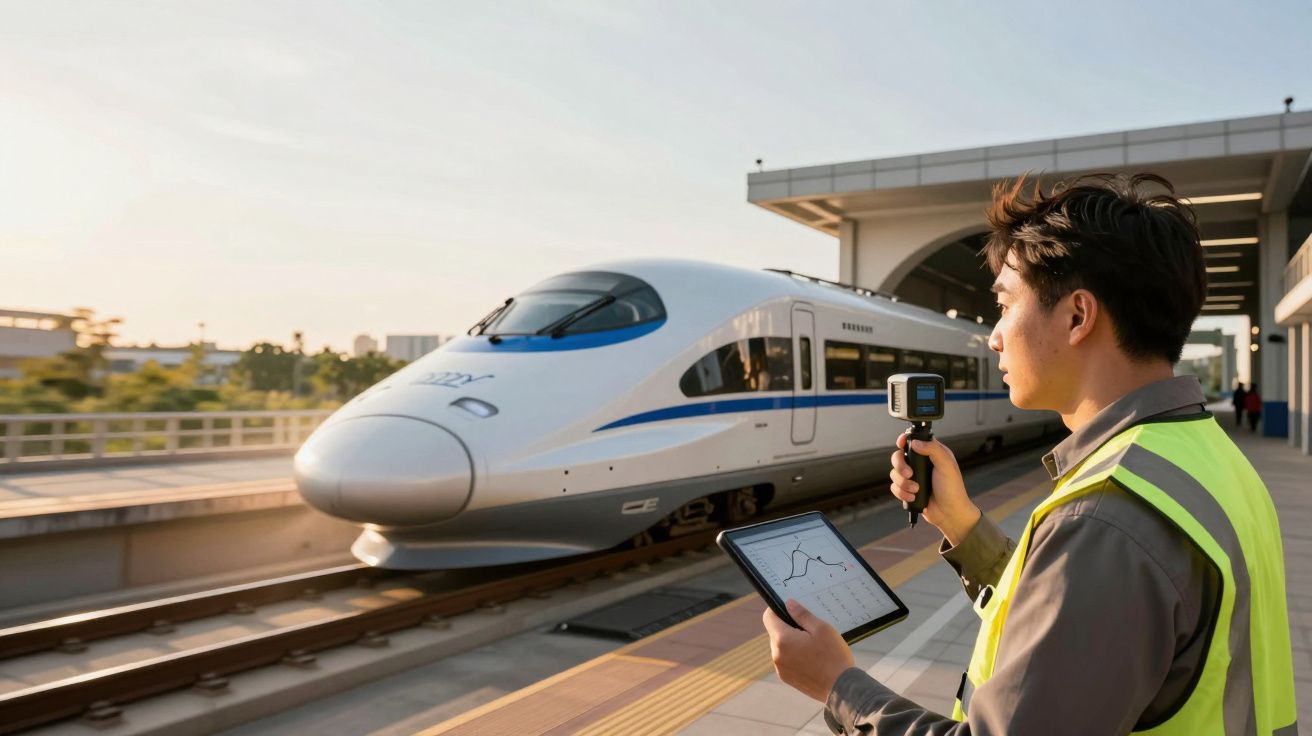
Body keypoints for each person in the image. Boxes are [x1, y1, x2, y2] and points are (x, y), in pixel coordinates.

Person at [762, 173, 1297, 735]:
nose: (994, 336)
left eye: (1003, 304)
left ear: (1077, 316)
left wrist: (838, 686)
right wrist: (962, 525)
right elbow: (1076, 618)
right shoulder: (1206, 458)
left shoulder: (1106, 518)